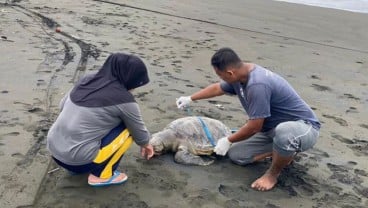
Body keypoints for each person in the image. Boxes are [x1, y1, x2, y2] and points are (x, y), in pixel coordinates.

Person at [176, 47, 320, 191]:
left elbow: (255, 127)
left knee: (285, 132)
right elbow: (217, 88)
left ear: (230, 73)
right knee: (236, 155)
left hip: (304, 128)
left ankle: (272, 175)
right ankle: (284, 153)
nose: (221, 79)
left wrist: (228, 140)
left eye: (221, 75)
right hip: (271, 130)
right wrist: (190, 98)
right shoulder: (241, 75)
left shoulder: (257, 85)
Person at [47, 53, 154, 187]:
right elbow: (140, 134)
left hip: (54, 151)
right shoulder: (125, 100)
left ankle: (74, 166)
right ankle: (102, 175)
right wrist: (147, 145)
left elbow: (62, 105)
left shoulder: (86, 80)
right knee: (128, 128)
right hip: (79, 161)